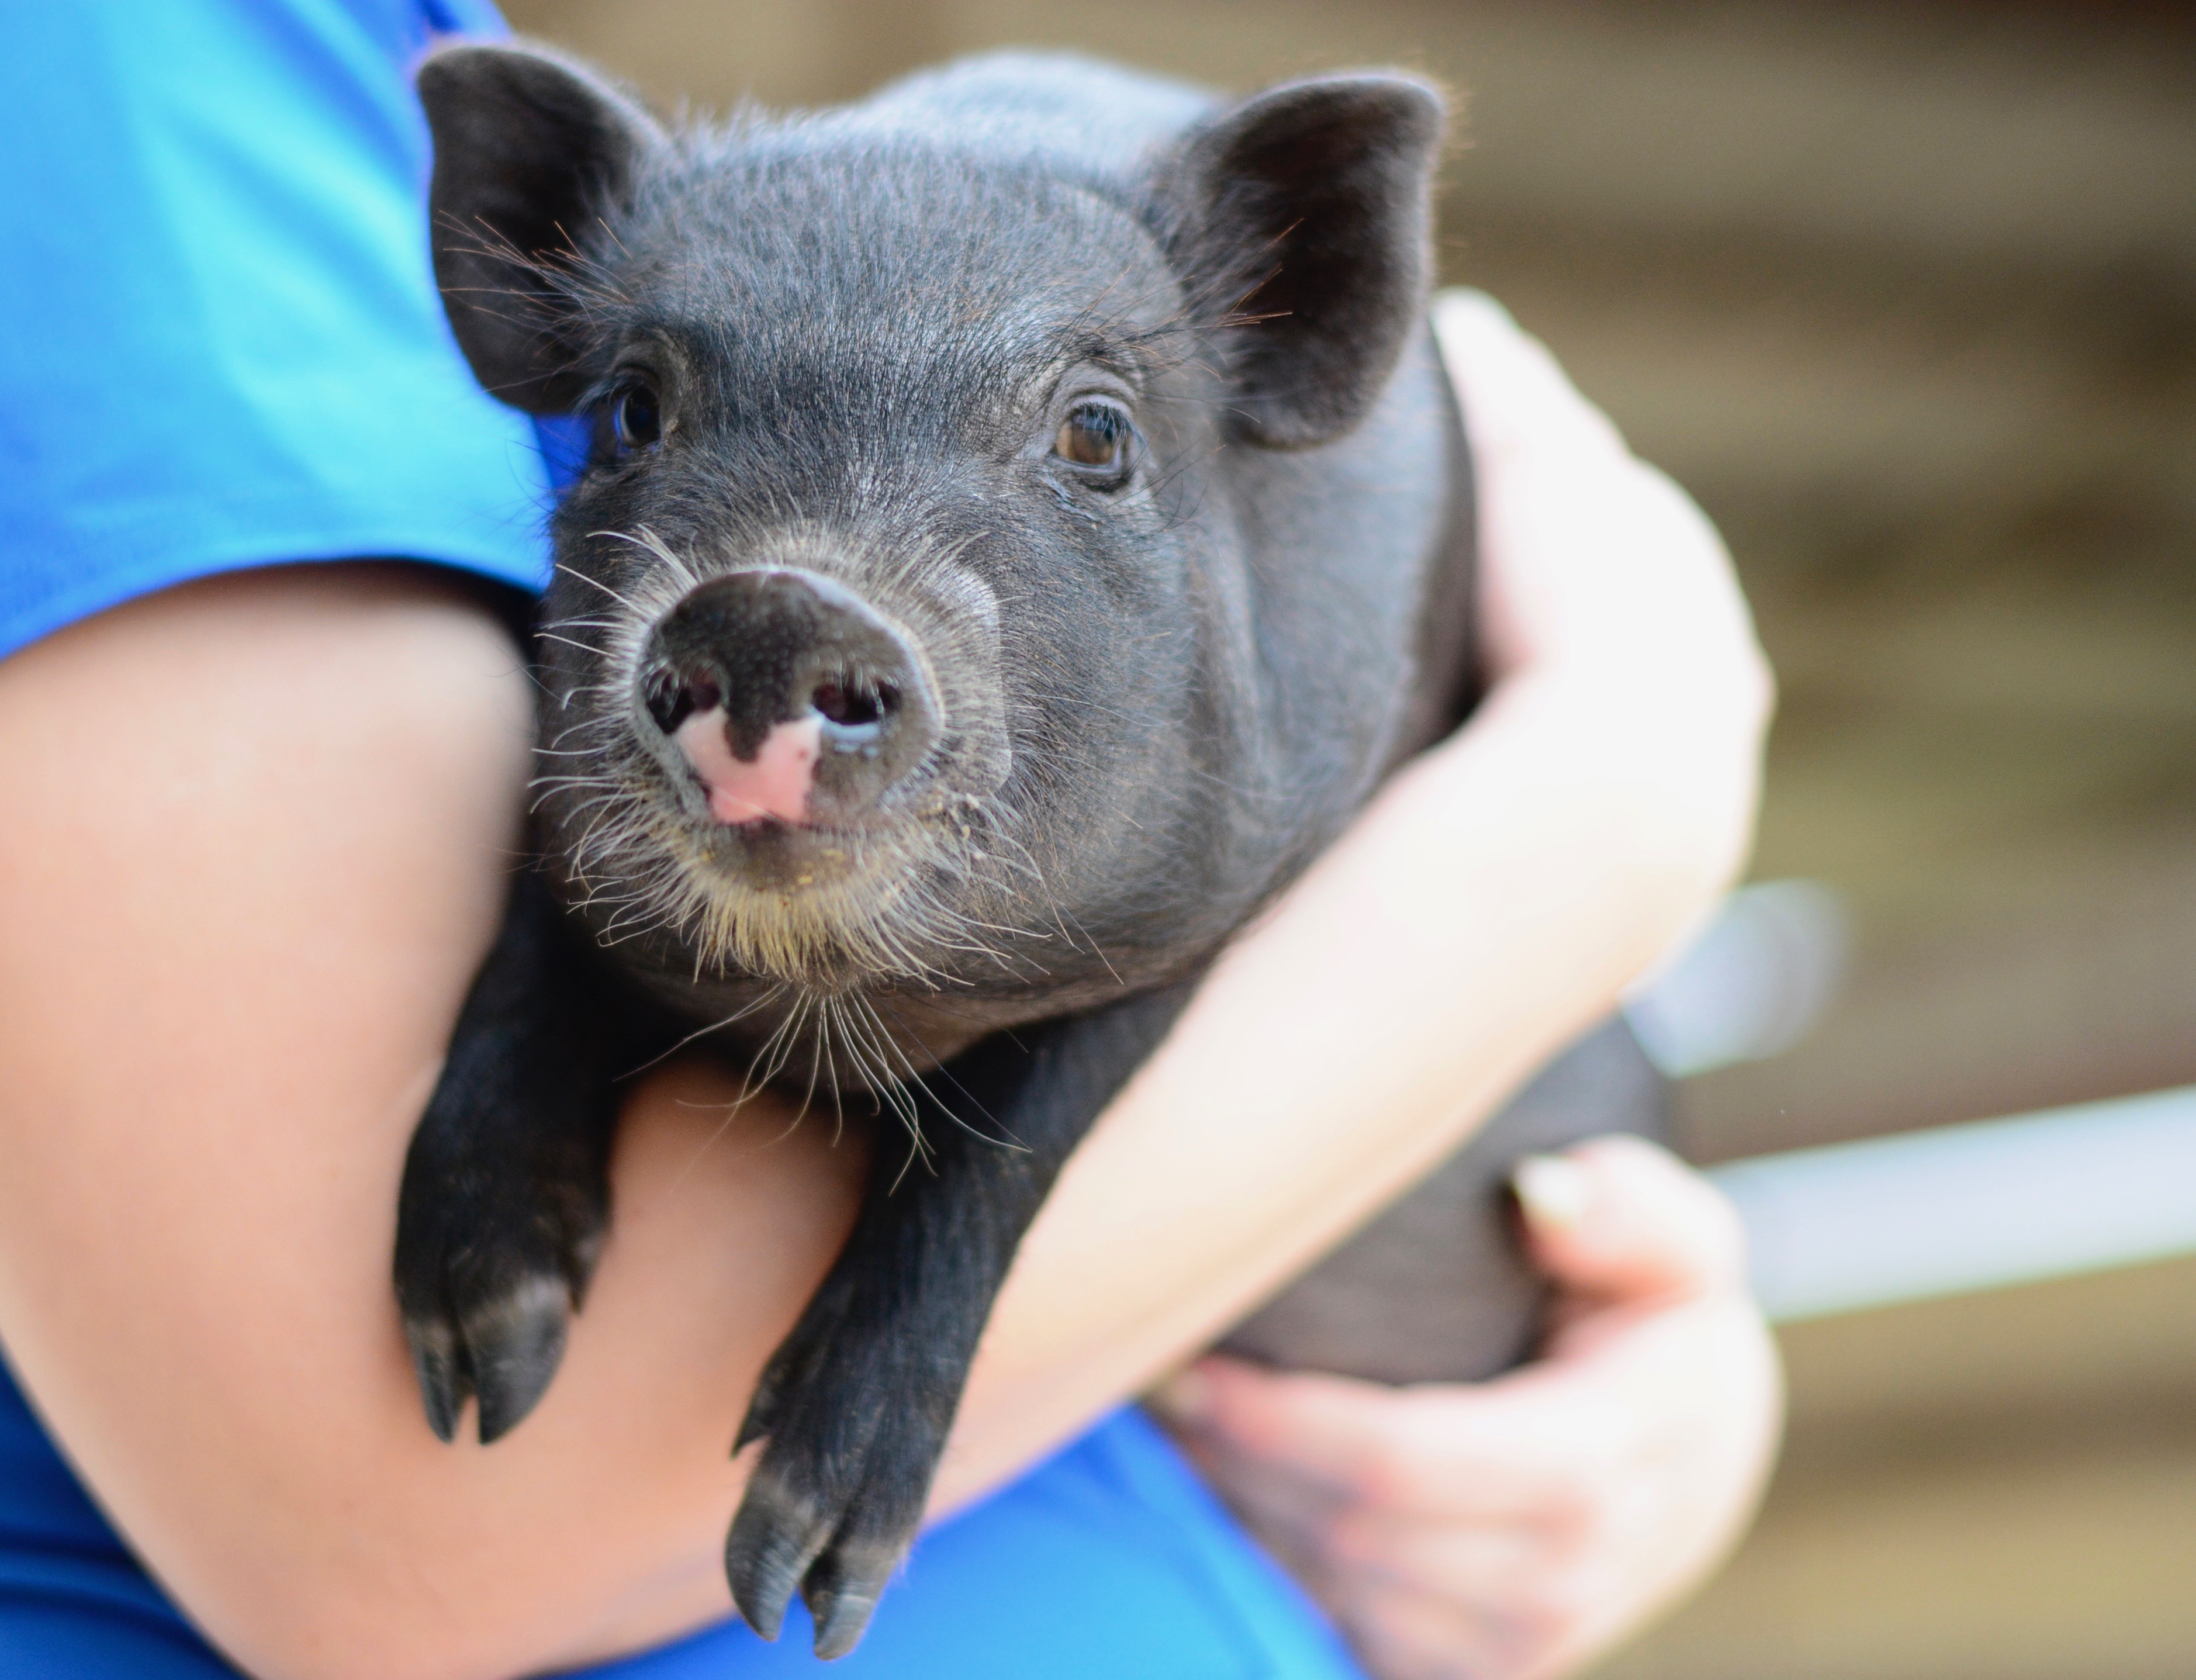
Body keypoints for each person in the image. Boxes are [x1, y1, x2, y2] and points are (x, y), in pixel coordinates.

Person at [0, 4, 1778, 1678]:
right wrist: (1619, 795)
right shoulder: (111, 73)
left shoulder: (1311, 559)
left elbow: (1201, 916)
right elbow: (374, 1529)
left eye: (1083, 439)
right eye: (636, 417)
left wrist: (1678, 1424)